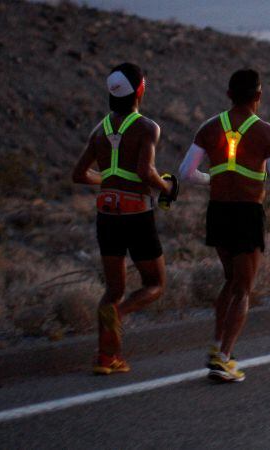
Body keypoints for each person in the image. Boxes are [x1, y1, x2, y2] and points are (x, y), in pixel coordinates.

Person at [179, 68, 270, 382]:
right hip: (247, 214)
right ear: (258, 95)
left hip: (218, 212)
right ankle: (224, 358)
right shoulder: (267, 132)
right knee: (243, 289)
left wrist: (213, 178)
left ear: (229, 94)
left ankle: (217, 347)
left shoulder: (209, 127)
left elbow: (186, 173)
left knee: (230, 281)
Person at [72, 62, 177, 375]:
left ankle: (107, 358)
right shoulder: (147, 127)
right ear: (140, 91)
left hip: (106, 214)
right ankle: (120, 314)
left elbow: (78, 174)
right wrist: (167, 188)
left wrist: (108, 178)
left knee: (112, 289)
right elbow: (146, 172)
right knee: (155, 283)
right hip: (136, 213)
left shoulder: (98, 130)